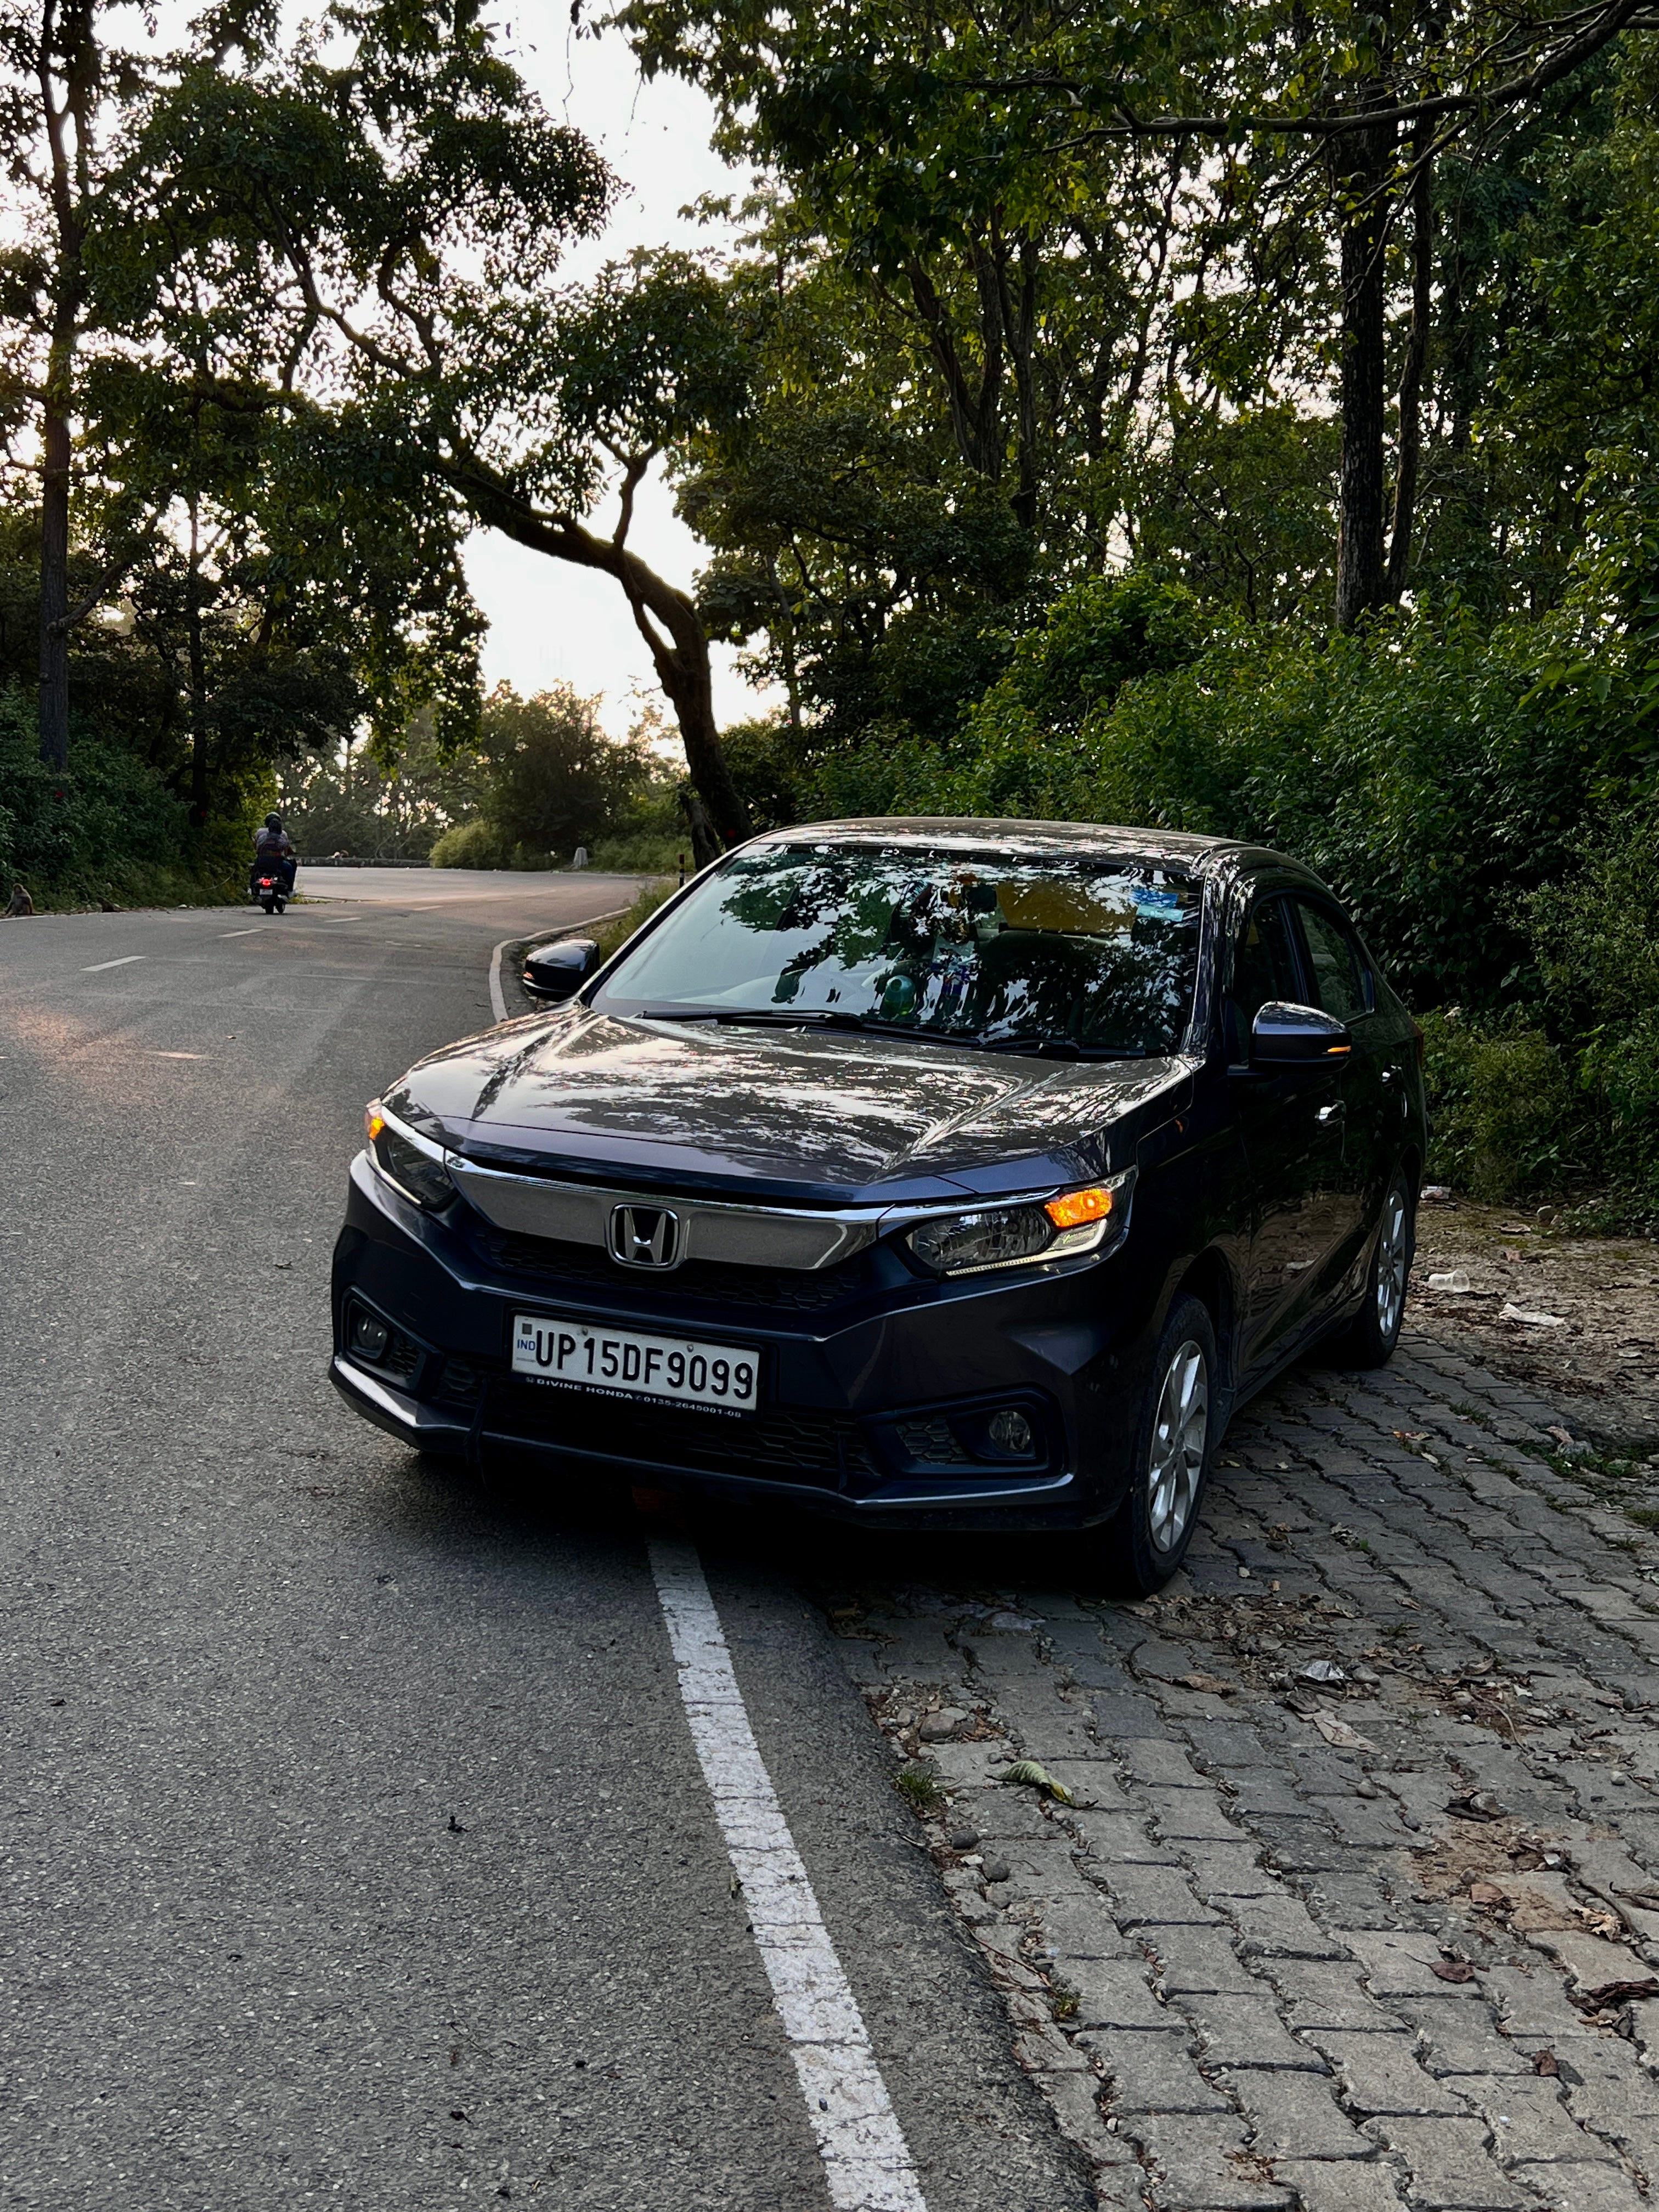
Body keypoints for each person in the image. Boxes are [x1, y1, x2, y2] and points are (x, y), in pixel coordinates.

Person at [252, 812, 297, 896]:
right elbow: (286, 851)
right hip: (277, 864)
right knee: (290, 868)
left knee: (253, 869)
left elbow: (257, 848)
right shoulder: (283, 835)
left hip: (262, 862)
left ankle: (251, 889)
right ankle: (290, 890)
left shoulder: (261, 833)